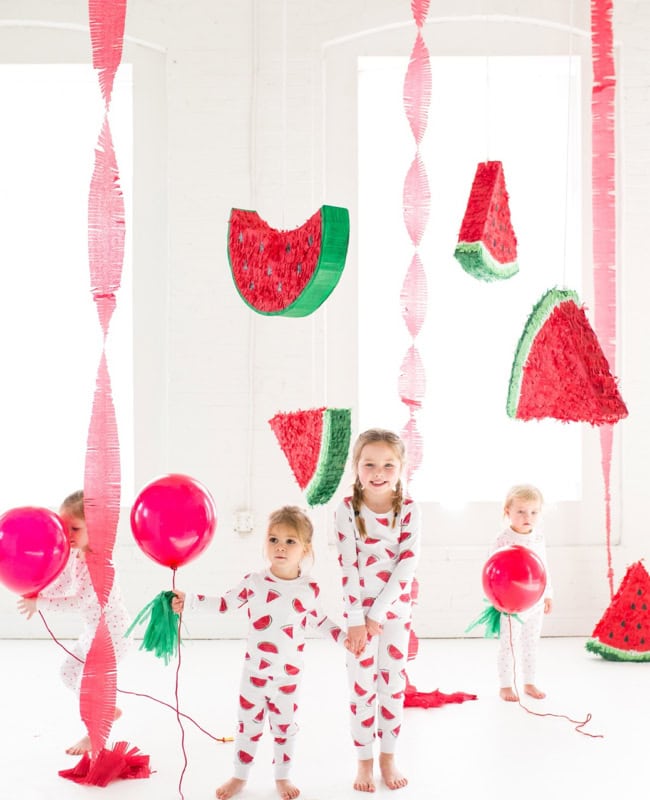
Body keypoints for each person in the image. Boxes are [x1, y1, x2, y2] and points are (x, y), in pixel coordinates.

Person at [171, 505, 349, 800]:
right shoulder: (255, 582)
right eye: (273, 539)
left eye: (290, 541)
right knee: (247, 725)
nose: (280, 547)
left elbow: (319, 620)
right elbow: (225, 604)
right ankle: (239, 776)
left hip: (288, 676)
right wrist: (189, 601)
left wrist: (345, 639)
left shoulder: (310, 589)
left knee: (285, 728)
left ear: (305, 548)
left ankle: (282, 776)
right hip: (254, 674)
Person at [334, 428, 421, 793]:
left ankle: (388, 755)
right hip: (358, 618)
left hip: (394, 614)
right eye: (369, 464)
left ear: (401, 467)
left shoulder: (409, 509)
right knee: (361, 687)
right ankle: (364, 760)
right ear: (357, 467)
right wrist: (357, 621)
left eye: (388, 464)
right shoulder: (347, 509)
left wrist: (377, 614)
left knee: (392, 684)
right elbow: (348, 566)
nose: (378, 471)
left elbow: (407, 563)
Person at [17, 490, 132, 754]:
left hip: (112, 636)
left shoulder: (99, 564)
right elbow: (66, 585)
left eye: (75, 528)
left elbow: (79, 601)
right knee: (68, 674)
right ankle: (105, 709)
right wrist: (40, 591)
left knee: (93, 687)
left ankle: (95, 732)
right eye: (63, 527)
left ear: (96, 528)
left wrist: (41, 604)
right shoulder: (77, 554)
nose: (67, 534)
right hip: (93, 632)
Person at [493, 483, 553, 702]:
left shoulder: (538, 537)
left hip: (535, 602)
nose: (528, 516)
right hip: (512, 604)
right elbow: (493, 572)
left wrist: (548, 594)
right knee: (508, 644)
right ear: (507, 511)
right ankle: (506, 684)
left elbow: (543, 567)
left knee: (530, 644)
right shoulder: (504, 539)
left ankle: (529, 682)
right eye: (520, 511)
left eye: (533, 512)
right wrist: (497, 600)